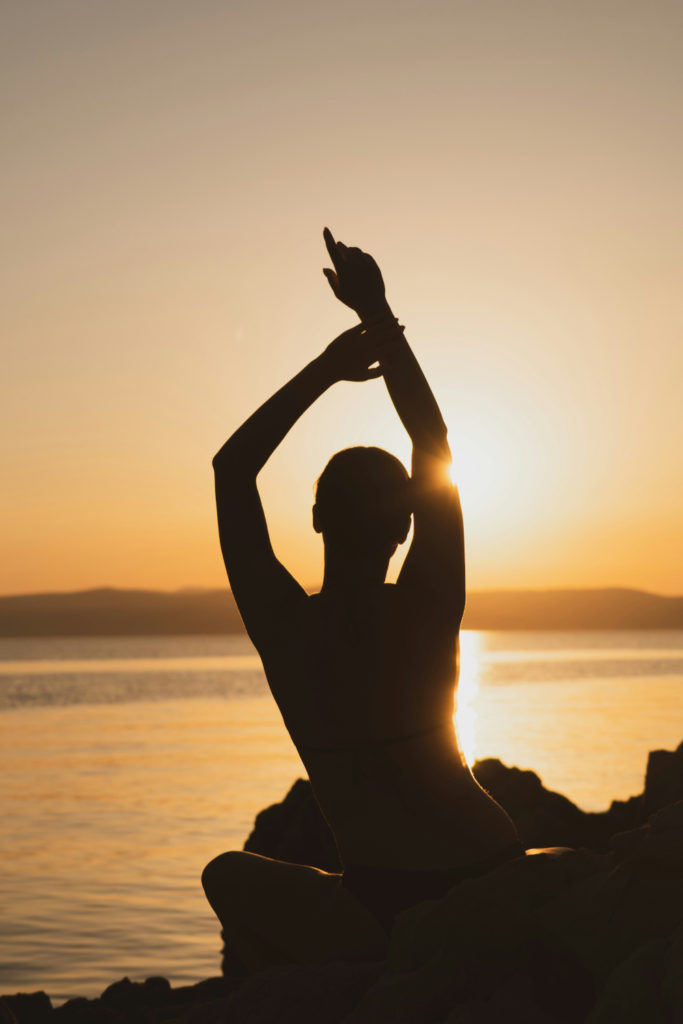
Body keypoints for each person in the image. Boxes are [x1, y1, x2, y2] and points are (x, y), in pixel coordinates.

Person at [202, 229, 521, 970]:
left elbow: (231, 470)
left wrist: (327, 367)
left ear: (314, 517)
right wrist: (378, 316)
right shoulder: (429, 602)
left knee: (227, 874)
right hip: (489, 871)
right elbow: (431, 437)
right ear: (406, 525)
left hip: (381, 904)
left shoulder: (282, 627)